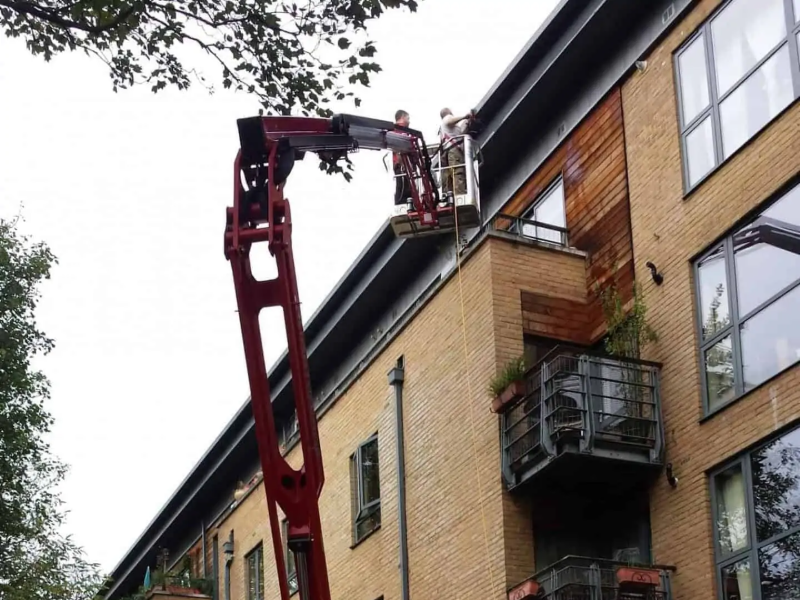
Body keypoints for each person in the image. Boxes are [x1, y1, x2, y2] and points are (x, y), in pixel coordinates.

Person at [439, 108, 473, 200]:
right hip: (453, 152)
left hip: (447, 153)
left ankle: (449, 198)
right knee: (458, 173)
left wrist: (467, 122)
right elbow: (449, 120)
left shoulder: (446, 128)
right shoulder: (447, 118)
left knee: (449, 178)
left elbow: (459, 133)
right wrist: (465, 116)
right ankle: (460, 197)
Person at [393, 109, 412, 206]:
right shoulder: (398, 130)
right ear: (402, 117)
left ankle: (407, 202)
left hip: (404, 163)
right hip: (401, 164)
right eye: (408, 118)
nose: (409, 121)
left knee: (407, 186)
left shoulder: (401, 130)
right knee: (402, 185)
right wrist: (402, 163)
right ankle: (402, 203)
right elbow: (397, 147)